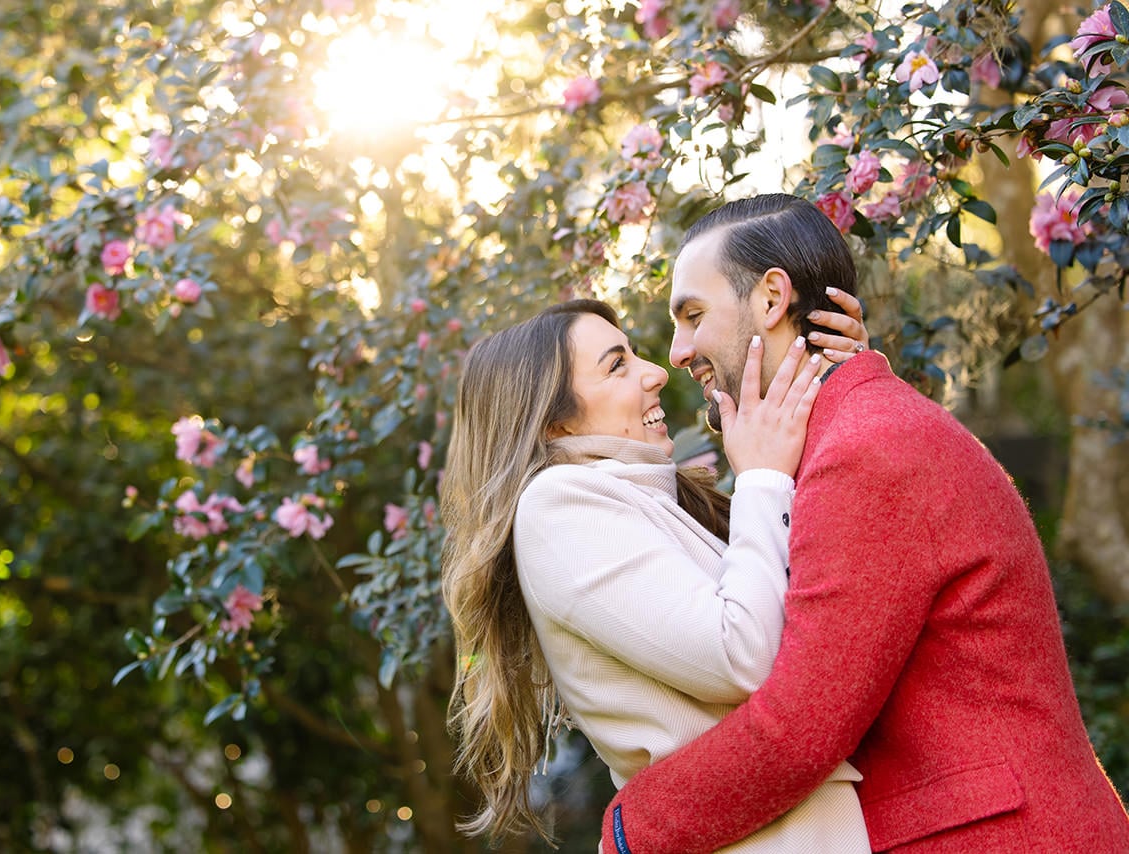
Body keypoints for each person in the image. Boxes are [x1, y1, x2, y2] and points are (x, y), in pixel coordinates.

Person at [600, 193, 1129, 853]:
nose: (678, 350)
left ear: (771, 300)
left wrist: (631, 827)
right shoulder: (856, 434)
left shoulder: (865, 452)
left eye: (693, 314)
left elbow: (801, 727)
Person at [440, 293, 873, 851]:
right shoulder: (559, 507)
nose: (655, 374)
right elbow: (740, 652)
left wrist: (844, 381)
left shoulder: (646, 501)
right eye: (617, 365)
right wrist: (762, 478)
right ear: (555, 425)